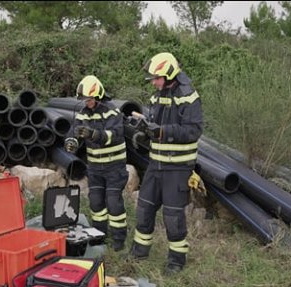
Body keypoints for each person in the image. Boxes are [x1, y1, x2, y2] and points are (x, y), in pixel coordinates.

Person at [127, 51, 203, 273]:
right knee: (144, 209)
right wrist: (143, 127)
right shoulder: (156, 96)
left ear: (169, 74)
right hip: (156, 165)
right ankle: (139, 252)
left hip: (177, 168)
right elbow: (153, 123)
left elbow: (193, 130)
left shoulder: (189, 97)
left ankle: (176, 261)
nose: (153, 82)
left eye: (156, 78)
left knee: (172, 216)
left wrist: (161, 132)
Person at [63, 75, 129, 250]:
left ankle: (118, 241)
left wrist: (93, 134)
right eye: (85, 99)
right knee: (96, 203)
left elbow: (114, 135)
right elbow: (74, 131)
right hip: (95, 169)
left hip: (114, 167)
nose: (87, 102)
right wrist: (71, 141)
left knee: (114, 203)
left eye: (90, 99)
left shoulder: (112, 111)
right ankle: (99, 237)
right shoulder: (83, 113)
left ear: (98, 95)